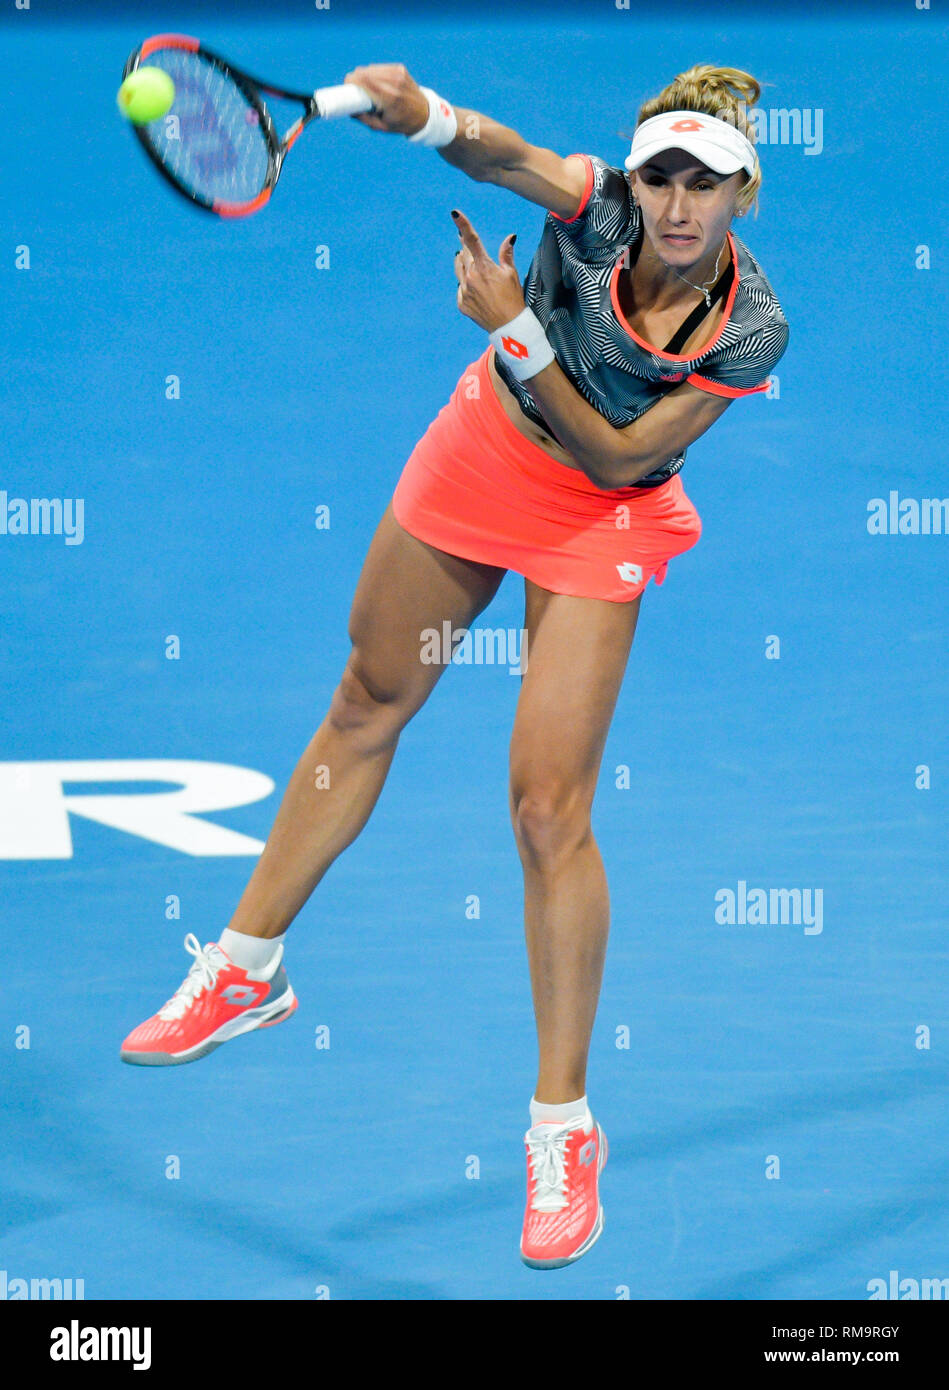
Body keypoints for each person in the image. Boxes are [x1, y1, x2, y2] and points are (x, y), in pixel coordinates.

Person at [121, 62, 789, 1271]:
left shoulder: (750, 328)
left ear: (745, 192)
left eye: (709, 183)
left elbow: (622, 455)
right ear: (632, 183)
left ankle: (562, 1131)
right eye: (662, 179)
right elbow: (500, 154)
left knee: (547, 813)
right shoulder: (590, 209)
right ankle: (246, 968)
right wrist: (424, 113)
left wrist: (521, 333)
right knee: (368, 697)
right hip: (488, 446)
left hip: (604, 509)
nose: (680, 206)